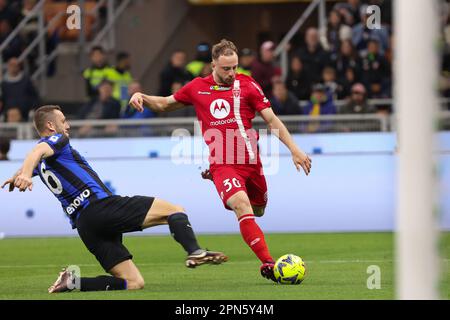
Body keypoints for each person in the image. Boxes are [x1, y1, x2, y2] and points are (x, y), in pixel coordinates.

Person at [129, 39, 312, 282]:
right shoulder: (196, 87)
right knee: (241, 205)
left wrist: (294, 149)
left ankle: (224, 187)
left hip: (251, 162)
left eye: (235, 67)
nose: (232, 73)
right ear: (213, 64)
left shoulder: (247, 85)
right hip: (223, 163)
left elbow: (271, 119)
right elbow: (164, 103)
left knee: (258, 210)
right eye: (226, 68)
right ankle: (268, 263)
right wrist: (141, 95)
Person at [1, 105, 227, 293]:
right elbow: (37, 150)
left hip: (86, 226)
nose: (67, 125)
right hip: (99, 208)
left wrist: (19, 176)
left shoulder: (40, 162)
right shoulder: (56, 141)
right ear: (51, 126)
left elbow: (32, 160)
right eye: (63, 120)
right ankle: (195, 252)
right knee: (174, 210)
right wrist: (22, 174)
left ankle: (73, 282)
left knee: (134, 283)